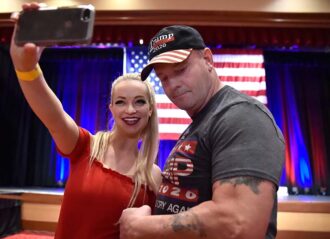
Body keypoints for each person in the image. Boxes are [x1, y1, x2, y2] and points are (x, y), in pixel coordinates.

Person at [10, 3, 162, 239]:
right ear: (111, 108)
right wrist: (26, 67)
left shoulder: (153, 177)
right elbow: (52, 112)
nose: (130, 109)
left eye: (140, 102)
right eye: (121, 102)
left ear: (150, 109)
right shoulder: (85, 147)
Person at [119, 25, 285, 239]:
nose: (173, 85)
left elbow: (237, 224)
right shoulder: (201, 122)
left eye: (180, 70)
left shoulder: (242, 116)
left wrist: (141, 226)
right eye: (164, 78)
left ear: (208, 59)